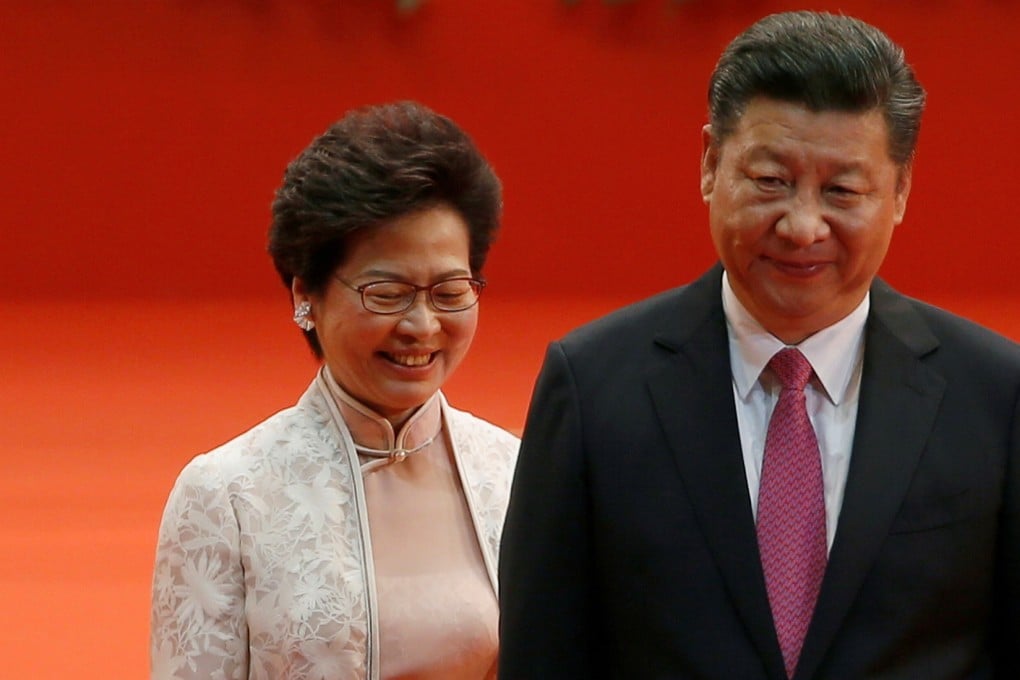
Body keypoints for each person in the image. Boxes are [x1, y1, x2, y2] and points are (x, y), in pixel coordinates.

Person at [499, 11, 1019, 679]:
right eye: (771, 180)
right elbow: (545, 657)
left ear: (901, 190)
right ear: (712, 163)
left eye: (842, 191)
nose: (802, 226)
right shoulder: (594, 388)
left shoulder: (993, 397)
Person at [150, 101, 519, 679]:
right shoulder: (228, 497)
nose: (422, 326)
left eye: (449, 292)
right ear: (306, 295)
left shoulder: (515, 475)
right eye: (388, 293)